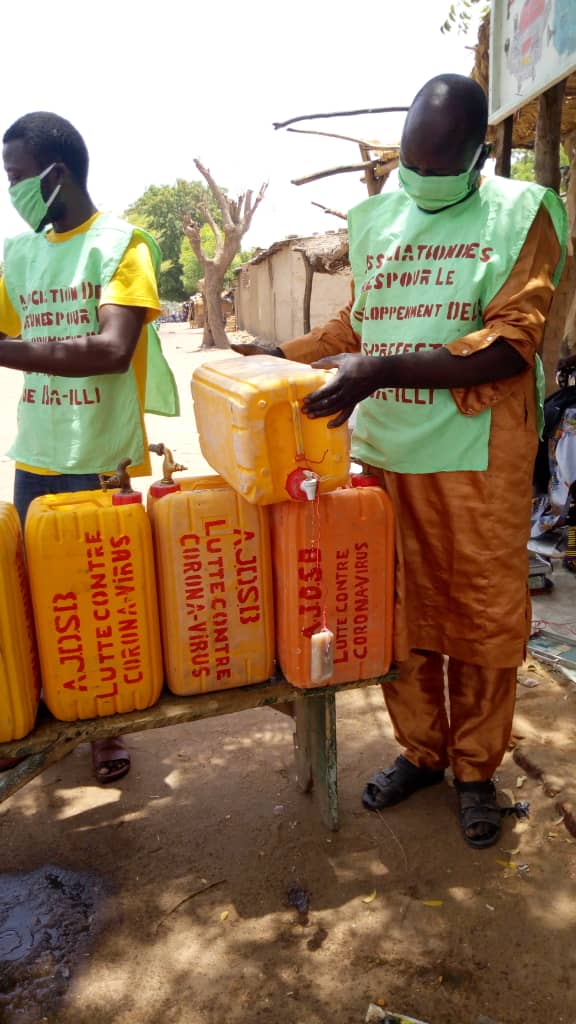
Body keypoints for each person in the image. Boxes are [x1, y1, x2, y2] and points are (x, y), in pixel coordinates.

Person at [233, 74, 567, 848]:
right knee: (397, 616)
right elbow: (361, 324)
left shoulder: (522, 213)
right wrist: (277, 356)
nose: (417, 176)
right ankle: (422, 751)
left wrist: (382, 370)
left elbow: (513, 342)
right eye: (408, 162)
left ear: (479, 155)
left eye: (438, 162)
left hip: (478, 459)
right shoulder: (373, 217)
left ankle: (476, 771)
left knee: (482, 624)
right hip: (382, 454)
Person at [0, 111, 177, 783]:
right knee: (35, 601)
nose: (9, 191)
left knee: (106, 600)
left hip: (100, 458)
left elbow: (111, 350)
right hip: (36, 455)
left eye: (14, 177)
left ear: (54, 175)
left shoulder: (122, 244)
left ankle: (108, 727)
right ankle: (46, 712)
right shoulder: (17, 254)